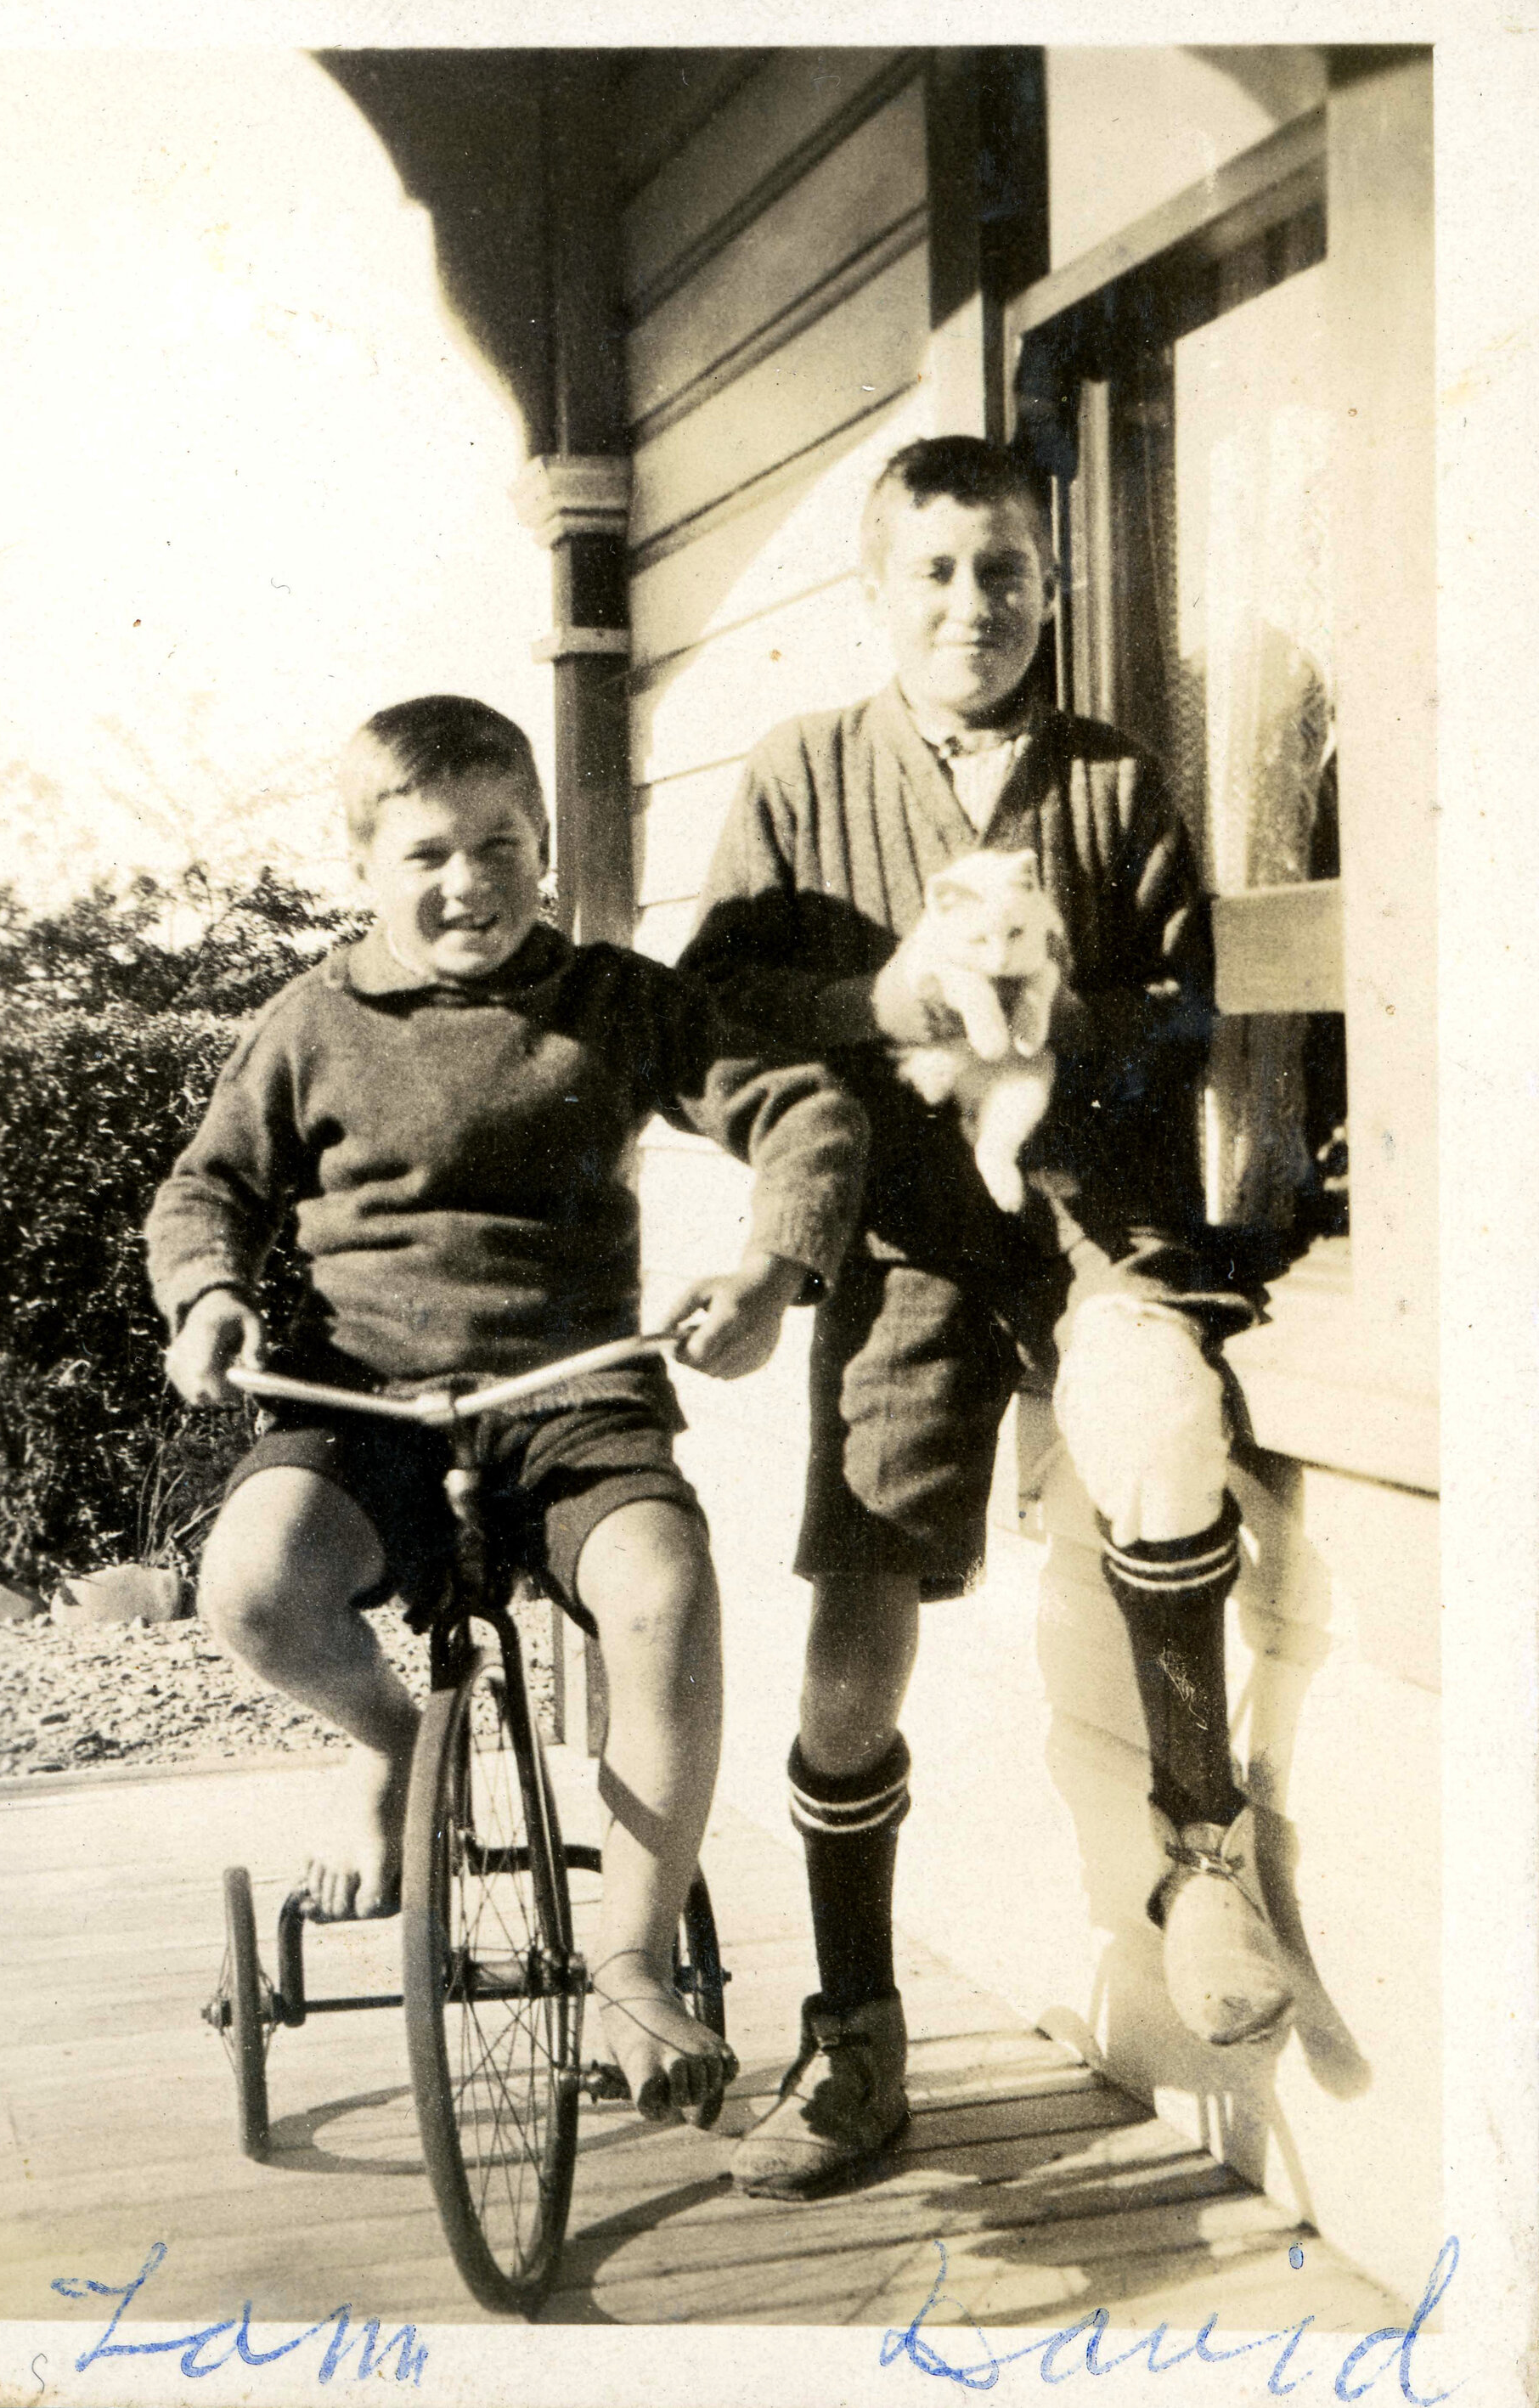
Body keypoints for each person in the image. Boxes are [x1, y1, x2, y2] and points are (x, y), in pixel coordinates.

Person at [679, 435, 1293, 2200]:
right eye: (936, 572)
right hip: (902, 1246)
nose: (973, 603)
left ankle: (1201, 1852)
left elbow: (1193, 1004)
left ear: (1052, 585)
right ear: (875, 594)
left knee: (1160, 1416)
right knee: (857, 1621)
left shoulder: (1111, 778)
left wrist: (1069, 1021)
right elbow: (714, 1007)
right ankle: (856, 2025)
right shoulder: (805, 773)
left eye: (1006, 569)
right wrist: (884, 997)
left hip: (1091, 1223)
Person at [145, 694, 867, 2129]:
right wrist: (208, 1303)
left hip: (572, 1393)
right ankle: (391, 1742)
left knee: (668, 1586)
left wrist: (772, 1273)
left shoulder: (613, 999)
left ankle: (630, 1961)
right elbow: (206, 1188)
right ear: (364, 863)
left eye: (501, 846)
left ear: (546, 850)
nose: (467, 883)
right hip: (364, 1399)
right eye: (426, 854)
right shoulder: (311, 1021)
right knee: (252, 1585)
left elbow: (802, 1113)